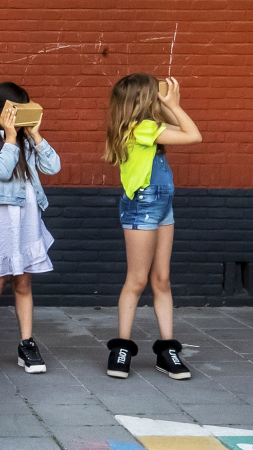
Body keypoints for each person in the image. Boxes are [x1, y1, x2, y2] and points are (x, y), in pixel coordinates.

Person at [103, 74, 202, 380]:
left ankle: (167, 351)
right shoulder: (141, 129)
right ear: (143, 99)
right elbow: (193, 134)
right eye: (154, 93)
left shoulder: (149, 127)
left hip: (162, 206)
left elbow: (179, 128)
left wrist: (173, 105)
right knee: (137, 279)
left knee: (162, 279)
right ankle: (120, 348)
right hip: (143, 207)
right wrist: (172, 104)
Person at [0, 82, 61, 375]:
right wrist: (10, 137)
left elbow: (54, 166)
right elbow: (1, 170)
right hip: (0, 223)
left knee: (23, 282)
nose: (18, 119)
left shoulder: (26, 141)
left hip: (27, 221)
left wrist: (35, 134)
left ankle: (26, 343)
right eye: (13, 112)